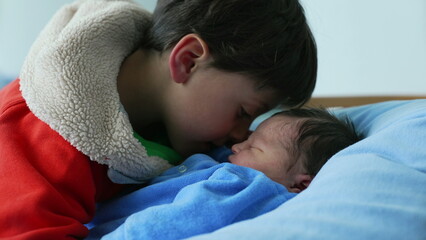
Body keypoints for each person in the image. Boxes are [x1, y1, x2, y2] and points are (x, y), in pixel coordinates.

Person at [0, 0, 317, 239]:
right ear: (188, 61)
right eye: (243, 113)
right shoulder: (48, 133)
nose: (239, 135)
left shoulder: (175, 123)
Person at [85, 107, 362, 239]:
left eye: (254, 146)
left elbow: (173, 223)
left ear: (299, 185)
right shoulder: (230, 161)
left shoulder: (246, 186)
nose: (239, 143)